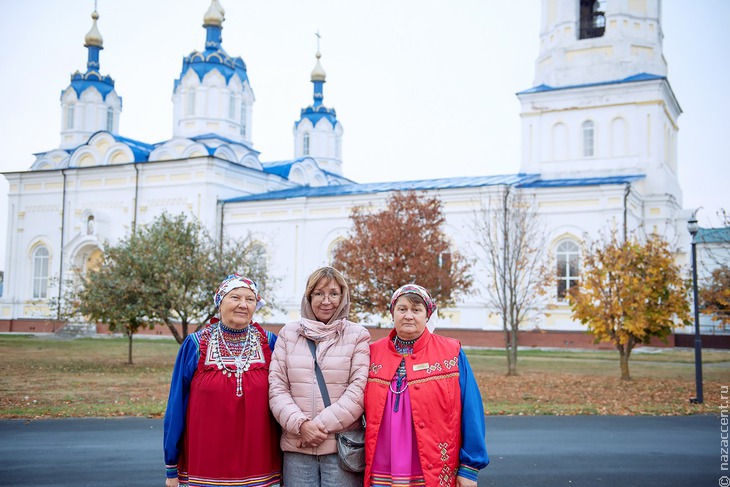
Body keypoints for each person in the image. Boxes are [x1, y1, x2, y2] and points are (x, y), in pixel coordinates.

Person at [364, 284, 489, 487]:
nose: (408, 316)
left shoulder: (450, 352)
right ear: (392, 313)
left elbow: (471, 410)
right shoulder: (372, 353)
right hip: (382, 464)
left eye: (416, 310)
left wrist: (469, 468)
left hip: (433, 464)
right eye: (402, 309)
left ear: (427, 315)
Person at [163, 274, 282, 487]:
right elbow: (176, 405)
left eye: (250, 299)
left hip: (260, 465)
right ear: (220, 302)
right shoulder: (195, 344)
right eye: (235, 297)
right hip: (205, 465)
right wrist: (171, 465)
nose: (243, 305)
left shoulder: (271, 343)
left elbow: (285, 397)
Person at [269, 266, 370, 487]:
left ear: (343, 298)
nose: (327, 301)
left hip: (340, 448)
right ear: (309, 297)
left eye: (334, 294)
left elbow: (358, 390)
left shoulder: (358, 336)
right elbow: (277, 388)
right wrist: (301, 425)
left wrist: (317, 428)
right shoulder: (288, 334)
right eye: (319, 294)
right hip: (298, 447)